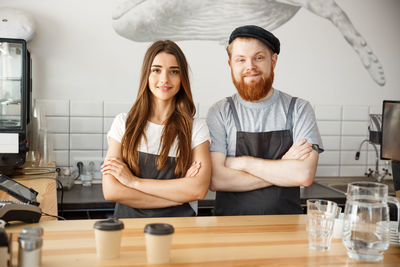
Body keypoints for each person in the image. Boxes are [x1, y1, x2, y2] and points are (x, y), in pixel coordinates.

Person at [206, 25, 324, 216]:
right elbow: (216, 180)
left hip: (287, 228)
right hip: (230, 230)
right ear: (231, 65)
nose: (250, 66)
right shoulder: (220, 111)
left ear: (273, 61)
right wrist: (284, 166)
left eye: (258, 58)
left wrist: (242, 163)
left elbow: (304, 175)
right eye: (241, 60)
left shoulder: (299, 109)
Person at [101, 40, 211, 218]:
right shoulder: (123, 123)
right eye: (156, 70)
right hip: (130, 232)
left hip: (181, 233)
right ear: (146, 74)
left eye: (173, 71)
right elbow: (112, 191)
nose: (165, 79)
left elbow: (198, 189)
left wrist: (133, 182)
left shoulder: (196, 128)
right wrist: (178, 197)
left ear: (182, 78)